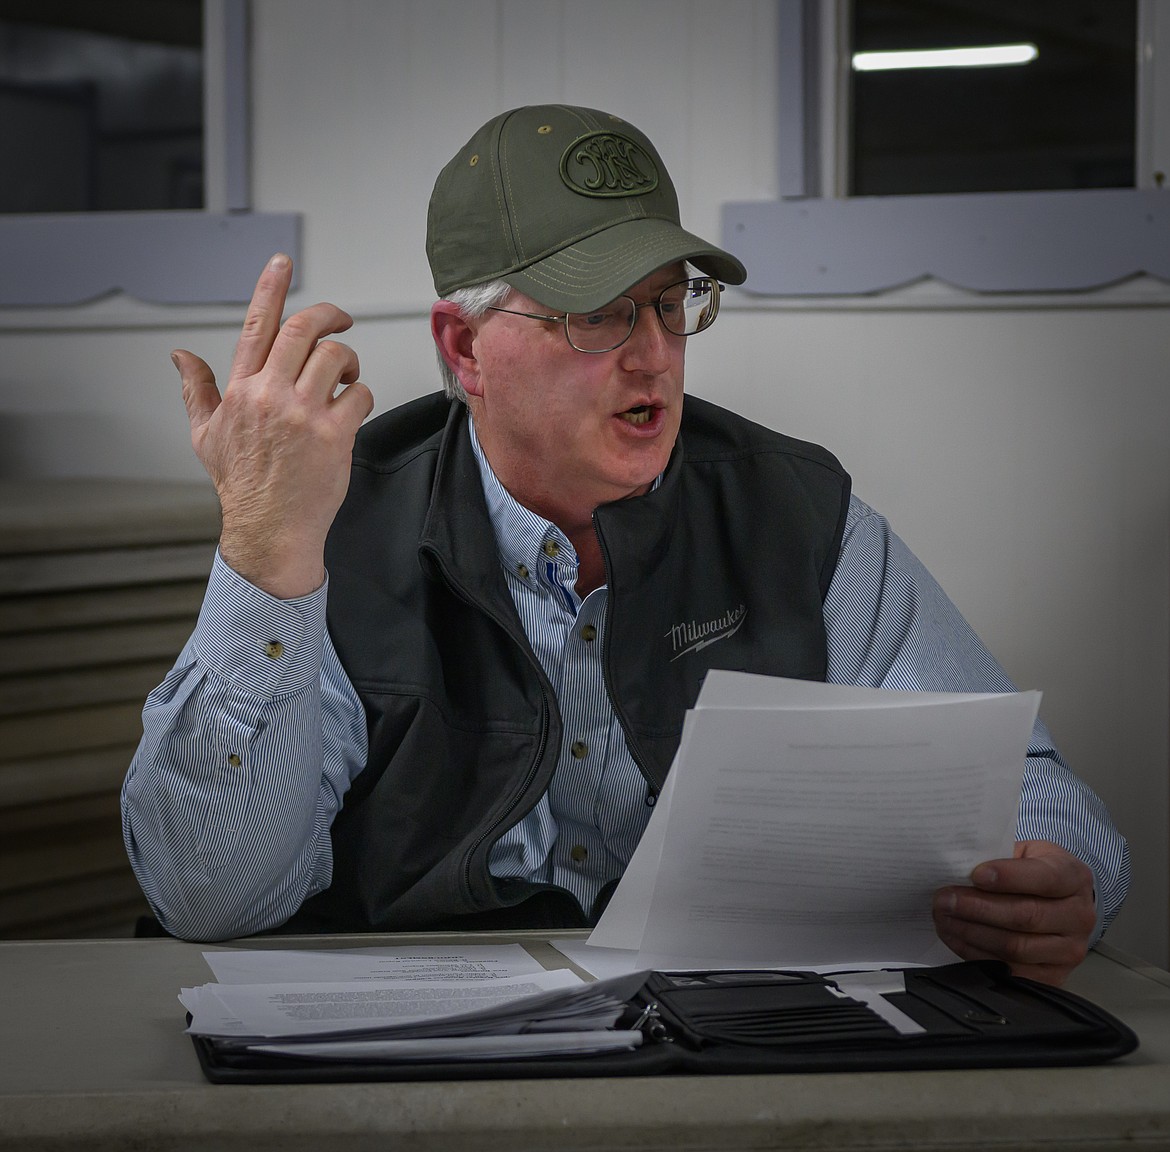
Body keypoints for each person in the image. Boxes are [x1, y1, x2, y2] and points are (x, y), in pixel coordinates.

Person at [121, 104, 1128, 985]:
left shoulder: (790, 509)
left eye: (669, 302)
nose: (653, 354)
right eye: (599, 314)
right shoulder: (333, 530)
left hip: (718, 1042)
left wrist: (1050, 870)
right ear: (463, 346)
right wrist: (263, 549)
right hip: (412, 1058)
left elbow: (1015, 777)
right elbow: (211, 895)